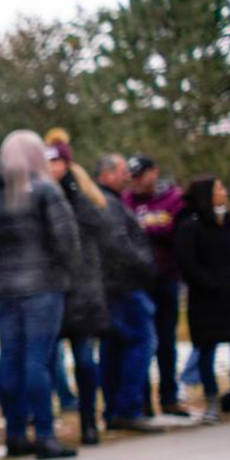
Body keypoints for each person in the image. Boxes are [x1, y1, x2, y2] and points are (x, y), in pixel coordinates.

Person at [0, 130, 81, 460]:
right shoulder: (46, 191)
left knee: (10, 359)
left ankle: (16, 434)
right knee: (37, 360)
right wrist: (65, 273)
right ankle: (45, 434)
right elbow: (67, 240)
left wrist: (0, 268)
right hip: (43, 287)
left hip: (3, 290)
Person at [174, 176, 230, 423]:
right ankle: (211, 399)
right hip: (208, 298)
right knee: (206, 348)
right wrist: (210, 284)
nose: (224, 191)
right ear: (207, 194)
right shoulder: (190, 225)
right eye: (220, 188)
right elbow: (187, 262)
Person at [45, 130, 109, 445]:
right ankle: (46, 426)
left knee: (84, 359)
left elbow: (99, 224)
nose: (54, 168)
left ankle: (88, 421)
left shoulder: (81, 192)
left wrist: (72, 193)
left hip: (83, 291)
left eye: (58, 162)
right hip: (53, 291)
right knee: (46, 361)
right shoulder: (40, 194)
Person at [93, 154, 161, 433]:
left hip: (111, 287)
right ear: (107, 174)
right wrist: (146, 268)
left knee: (114, 348)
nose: (127, 177)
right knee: (142, 341)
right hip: (123, 287)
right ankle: (128, 408)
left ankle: (115, 409)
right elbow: (119, 246)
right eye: (122, 172)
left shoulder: (106, 201)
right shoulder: (108, 204)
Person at [123, 155, 188, 417]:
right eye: (133, 177)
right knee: (142, 341)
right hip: (138, 281)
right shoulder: (125, 201)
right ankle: (143, 401)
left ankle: (169, 397)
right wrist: (154, 227)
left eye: (142, 175)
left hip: (166, 278)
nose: (137, 181)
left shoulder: (172, 198)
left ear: (154, 172)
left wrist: (148, 229)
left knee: (166, 340)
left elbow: (177, 231)